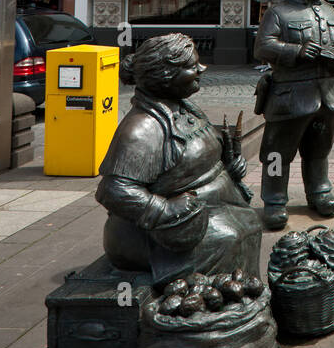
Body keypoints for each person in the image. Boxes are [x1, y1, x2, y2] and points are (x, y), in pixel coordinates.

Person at [96, 33, 261, 288]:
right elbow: (114, 190)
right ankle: (206, 302)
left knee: (249, 223)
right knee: (229, 237)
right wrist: (163, 210)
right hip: (161, 233)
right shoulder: (142, 129)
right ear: (164, 75)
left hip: (213, 209)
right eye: (190, 66)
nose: (201, 68)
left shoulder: (184, 108)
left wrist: (229, 169)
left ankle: (241, 295)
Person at [254, 0, 334, 230]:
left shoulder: (331, 12)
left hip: (329, 95)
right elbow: (262, 47)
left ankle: (319, 192)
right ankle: (274, 200)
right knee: (277, 152)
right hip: (291, 95)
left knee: (319, 149)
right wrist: (294, 52)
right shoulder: (278, 13)